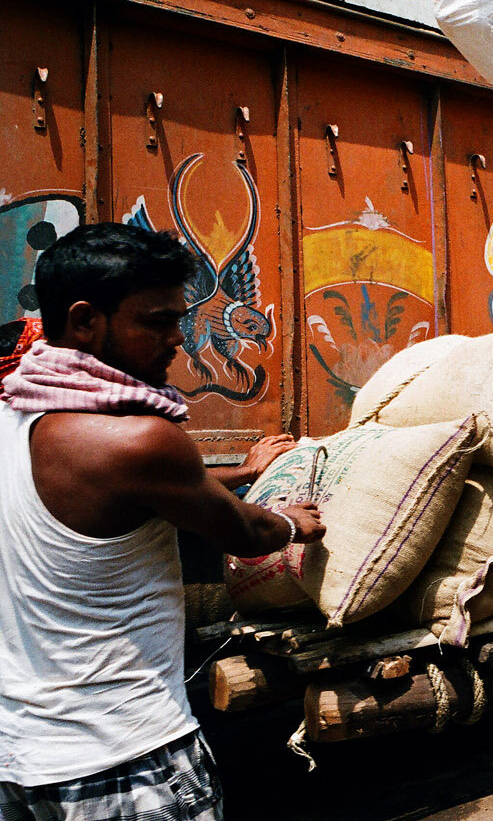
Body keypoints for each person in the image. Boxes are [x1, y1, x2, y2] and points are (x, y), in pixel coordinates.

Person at [0, 224, 325, 821]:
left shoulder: (17, 416)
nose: (178, 338)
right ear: (84, 321)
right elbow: (244, 534)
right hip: (128, 761)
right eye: (155, 321)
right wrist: (290, 520)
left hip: (22, 764)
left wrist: (239, 473)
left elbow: (122, 493)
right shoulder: (142, 441)